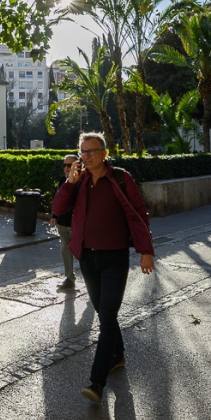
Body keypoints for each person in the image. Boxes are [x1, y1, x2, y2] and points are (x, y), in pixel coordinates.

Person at [52, 132, 155, 404]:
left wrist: (146, 251)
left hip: (115, 257)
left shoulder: (121, 178)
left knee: (107, 313)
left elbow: (139, 213)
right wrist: (68, 184)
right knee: (104, 312)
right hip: (87, 258)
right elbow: (58, 207)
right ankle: (118, 353)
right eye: (82, 152)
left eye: (91, 151)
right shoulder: (78, 181)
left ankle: (97, 381)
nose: (85, 156)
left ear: (104, 154)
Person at [49, 154, 78, 290]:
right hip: (63, 222)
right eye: (64, 165)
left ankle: (92, 281)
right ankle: (69, 278)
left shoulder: (83, 181)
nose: (66, 168)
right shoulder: (62, 180)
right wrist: (54, 215)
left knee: (83, 252)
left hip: (77, 224)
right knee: (65, 250)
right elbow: (58, 199)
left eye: (69, 165)